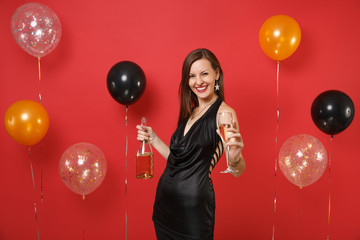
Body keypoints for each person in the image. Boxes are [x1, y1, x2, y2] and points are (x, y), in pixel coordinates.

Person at [136, 48, 246, 239]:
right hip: (164, 207)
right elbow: (178, 160)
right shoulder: (191, 112)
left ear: (216, 74)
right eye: (192, 76)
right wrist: (153, 138)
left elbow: (238, 170)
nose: (198, 82)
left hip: (193, 212)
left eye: (204, 74)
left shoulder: (224, 114)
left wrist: (235, 158)